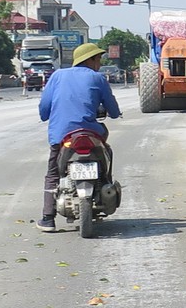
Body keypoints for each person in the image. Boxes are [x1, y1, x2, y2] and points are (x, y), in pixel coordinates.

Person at [35, 42, 121, 231]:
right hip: (91, 134)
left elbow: (44, 108)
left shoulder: (57, 76)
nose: (99, 63)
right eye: (97, 59)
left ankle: (48, 218)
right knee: (107, 149)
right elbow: (113, 109)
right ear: (88, 59)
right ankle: (106, 181)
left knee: (53, 174)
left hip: (62, 136)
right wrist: (114, 113)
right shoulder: (97, 78)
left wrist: (46, 115)